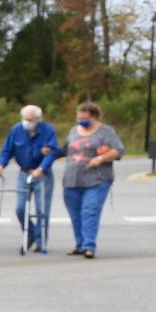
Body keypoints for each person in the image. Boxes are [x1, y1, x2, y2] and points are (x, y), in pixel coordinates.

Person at [0, 105, 60, 251]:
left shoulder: (48, 130)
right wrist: (0, 166)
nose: (27, 122)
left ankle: (41, 241)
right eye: (25, 119)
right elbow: (7, 150)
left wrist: (41, 168)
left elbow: (52, 152)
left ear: (38, 120)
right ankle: (31, 234)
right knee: (20, 208)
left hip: (42, 174)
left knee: (42, 209)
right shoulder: (17, 130)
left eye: (30, 120)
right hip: (24, 173)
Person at [61, 102, 123, 259]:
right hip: (72, 179)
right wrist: (49, 151)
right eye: (78, 117)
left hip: (97, 179)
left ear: (94, 116)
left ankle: (89, 246)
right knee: (75, 214)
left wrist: (101, 158)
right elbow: (66, 149)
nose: (81, 120)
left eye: (84, 117)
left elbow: (119, 150)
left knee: (89, 211)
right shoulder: (74, 131)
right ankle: (80, 244)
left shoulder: (106, 132)